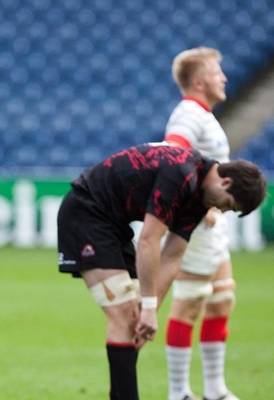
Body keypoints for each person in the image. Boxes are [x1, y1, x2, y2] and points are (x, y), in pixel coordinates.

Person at [56, 143, 266, 400]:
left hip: (113, 226)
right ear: (226, 182)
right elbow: (149, 240)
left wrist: (150, 310)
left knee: (133, 320)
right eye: (229, 205)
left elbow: (172, 255)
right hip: (86, 212)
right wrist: (147, 307)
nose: (222, 211)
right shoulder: (181, 173)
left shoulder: (200, 196)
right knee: (124, 314)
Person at [159, 47, 241, 400]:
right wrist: (196, 200)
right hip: (195, 226)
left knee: (222, 299)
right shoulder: (189, 115)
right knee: (190, 302)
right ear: (198, 81)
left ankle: (215, 390)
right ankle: (179, 392)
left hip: (212, 226)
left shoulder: (204, 115)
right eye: (216, 71)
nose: (223, 77)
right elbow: (171, 155)